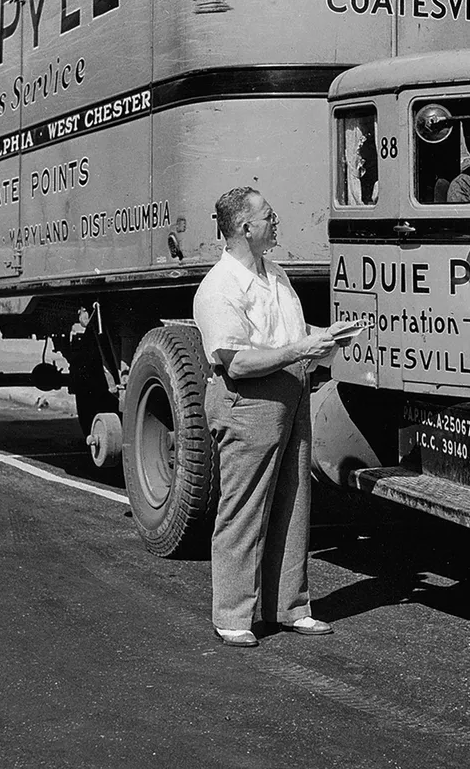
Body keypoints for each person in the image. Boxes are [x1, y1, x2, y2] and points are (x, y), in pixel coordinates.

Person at [193, 186, 338, 647]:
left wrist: (327, 336)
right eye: (268, 216)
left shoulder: (274, 274)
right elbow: (234, 361)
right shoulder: (220, 286)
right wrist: (299, 349)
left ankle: (289, 608)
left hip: (290, 392)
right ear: (244, 228)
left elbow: (286, 334)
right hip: (248, 400)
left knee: (293, 503)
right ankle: (232, 616)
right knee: (244, 508)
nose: (276, 222)